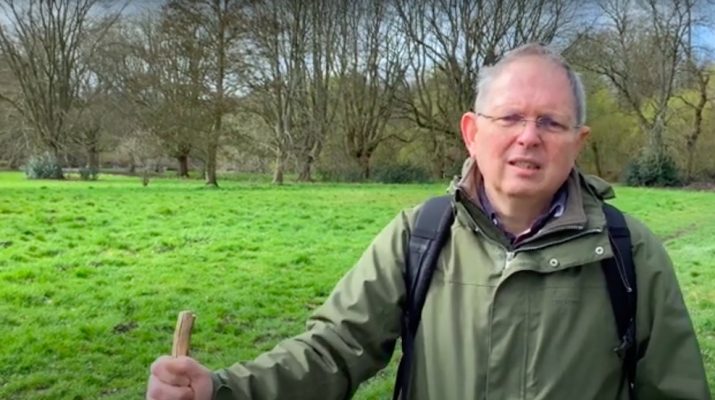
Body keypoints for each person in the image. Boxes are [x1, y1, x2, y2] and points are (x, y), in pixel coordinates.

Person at [146, 43, 711, 400]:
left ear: (579, 142)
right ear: (471, 131)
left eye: (551, 122)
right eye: (510, 116)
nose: (528, 136)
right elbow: (334, 350)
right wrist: (220, 390)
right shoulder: (420, 236)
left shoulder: (630, 252)